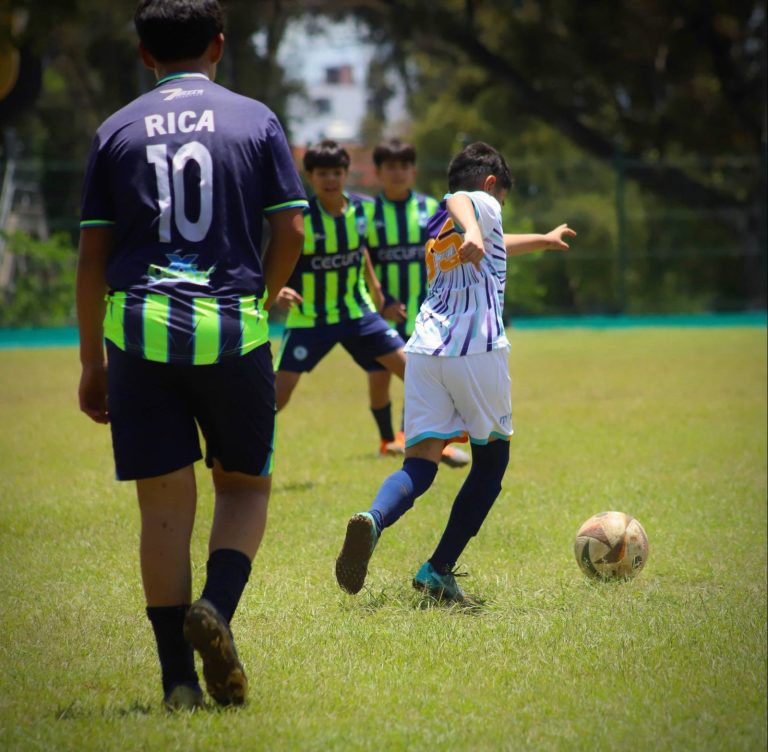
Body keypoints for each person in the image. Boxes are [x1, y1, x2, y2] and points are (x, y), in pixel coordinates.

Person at [77, 0, 307, 710]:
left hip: (140, 332)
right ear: (219, 45)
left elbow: (92, 258)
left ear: (146, 55)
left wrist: (92, 363)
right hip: (231, 330)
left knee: (163, 511)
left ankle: (177, 680)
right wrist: (263, 297)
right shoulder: (255, 118)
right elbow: (292, 229)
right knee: (242, 488)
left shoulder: (115, 130)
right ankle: (216, 608)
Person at [335, 141, 576, 603]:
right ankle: (437, 570)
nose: (496, 211)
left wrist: (542, 239)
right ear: (491, 186)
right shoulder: (472, 202)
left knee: (420, 463)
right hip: (476, 349)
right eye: (499, 201)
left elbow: (489, 236)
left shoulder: (435, 224)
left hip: (425, 351)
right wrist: (474, 229)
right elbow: (463, 202)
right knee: (492, 463)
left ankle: (374, 519)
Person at [273, 140, 408, 431]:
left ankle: (426, 443)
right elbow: (278, 259)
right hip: (309, 318)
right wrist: (278, 290)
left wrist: (379, 295)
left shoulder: (365, 209)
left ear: (346, 173)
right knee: (276, 397)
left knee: (415, 373)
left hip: (357, 312)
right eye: (322, 173)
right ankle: (236, 447)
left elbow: (363, 252)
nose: (330, 179)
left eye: (336, 172)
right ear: (310, 177)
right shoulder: (300, 219)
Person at [365, 138, 469, 468]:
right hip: (380, 312)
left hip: (428, 312)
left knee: (421, 376)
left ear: (414, 171)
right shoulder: (367, 214)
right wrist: (379, 301)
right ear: (379, 172)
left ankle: (419, 440)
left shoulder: (430, 209)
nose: (398, 173)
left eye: (404, 166)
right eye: (391, 167)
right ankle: (387, 439)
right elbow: (357, 262)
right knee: (379, 378)